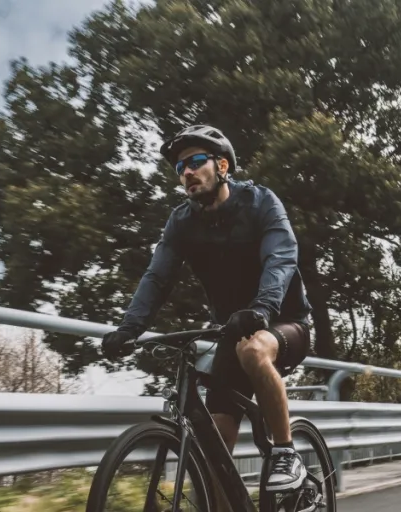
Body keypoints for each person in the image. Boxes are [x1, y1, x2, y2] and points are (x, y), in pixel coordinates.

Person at [101, 124, 313, 492]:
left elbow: (281, 257)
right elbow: (157, 278)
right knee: (214, 453)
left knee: (253, 348)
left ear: (223, 166)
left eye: (196, 161)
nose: (186, 172)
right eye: (180, 167)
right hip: (232, 330)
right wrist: (129, 328)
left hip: (284, 321)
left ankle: (285, 452)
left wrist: (263, 307)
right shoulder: (182, 222)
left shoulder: (261, 202)